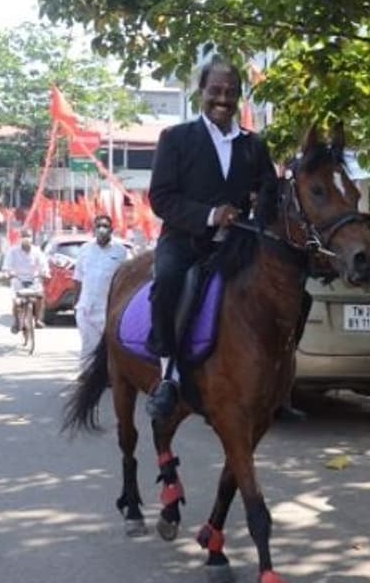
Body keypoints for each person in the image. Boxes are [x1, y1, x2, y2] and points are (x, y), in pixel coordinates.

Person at [145, 56, 278, 421]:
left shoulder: (254, 145)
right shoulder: (175, 139)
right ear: (200, 92)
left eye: (231, 93)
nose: (223, 99)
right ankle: (168, 373)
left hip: (238, 244)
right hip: (185, 241)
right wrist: (209, 215)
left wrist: (263, 201)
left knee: (287, 286)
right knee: (167, 280)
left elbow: (269, 191)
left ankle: (277, 376)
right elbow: (161, 198)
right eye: (215, 91)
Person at [73, 214, 132, 365]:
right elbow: (78, 278)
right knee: (88, 346)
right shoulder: (85, 250)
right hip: (86, 307)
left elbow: (127, 279)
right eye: (98, 226)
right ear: (93, 229)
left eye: (105, 226)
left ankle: (106, 373)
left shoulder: (121, 252)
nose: (101, 229)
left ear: (111, 229)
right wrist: (76, 302)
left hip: (108, 309)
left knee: (107, 347)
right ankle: (87, 373)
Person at [2, 229, 50, 334]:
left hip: (34, 280)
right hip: (18, 280)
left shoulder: (37, 251)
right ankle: (16, 322)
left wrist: (45, 273)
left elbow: (43, 265)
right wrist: (8, 273)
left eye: (28, 236)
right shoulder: (13, 251)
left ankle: (37, 320)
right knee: (16, 301)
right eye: (24, 236)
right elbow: (7, 266)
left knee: (40, 297)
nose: (26, 239)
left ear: (31, 238)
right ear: (20, 239)